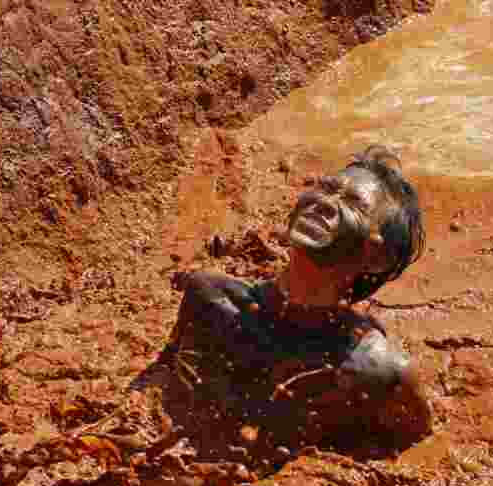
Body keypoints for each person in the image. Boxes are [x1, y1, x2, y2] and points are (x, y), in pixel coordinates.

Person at [160, 146, 432, 466]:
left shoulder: (381, 371)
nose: (325, 203)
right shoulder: (209, 299)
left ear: (376, 258)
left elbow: (414, 457)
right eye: (326, 188)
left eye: (354, 203)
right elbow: (163, 385)